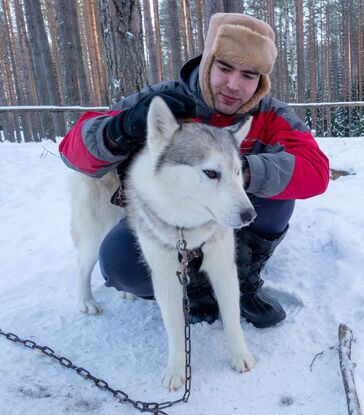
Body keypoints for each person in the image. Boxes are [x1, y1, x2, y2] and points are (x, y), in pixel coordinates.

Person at [59, 13, 329, 328]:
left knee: (281, 188)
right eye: (224, 68)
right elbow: (73, 152)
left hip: (231, 213)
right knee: (120, 262)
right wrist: (122, 126)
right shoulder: (163, 99)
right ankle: (196, 290)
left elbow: (315, 171)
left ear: (261, 81)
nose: (233, 85)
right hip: (168, 217)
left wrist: (235, 169)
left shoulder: (270, 114)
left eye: (248, 75)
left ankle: (242, 281)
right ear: (207, 63)